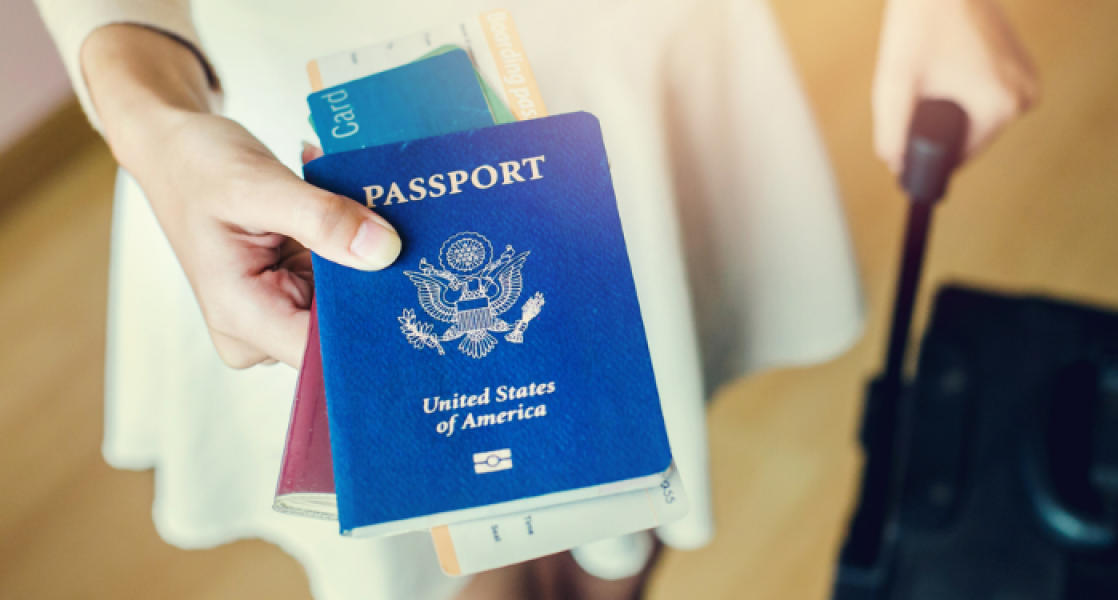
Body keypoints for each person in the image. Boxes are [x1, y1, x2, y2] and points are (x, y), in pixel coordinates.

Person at [33, 0, 1036, 599]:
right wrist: (148, 111)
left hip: (619, 40)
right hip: (274, 86)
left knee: (611, 503)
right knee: (407, 551)